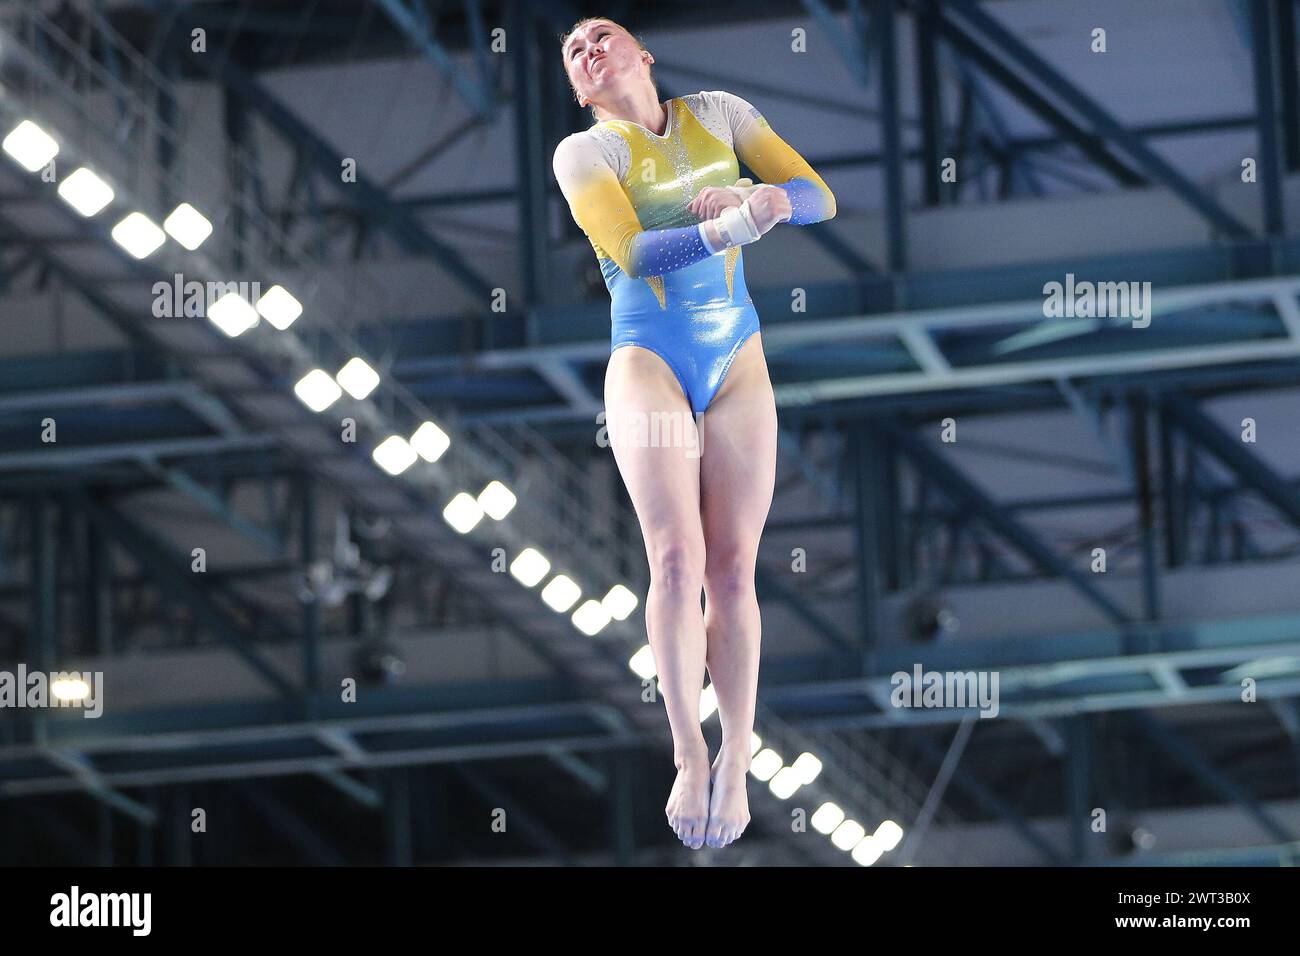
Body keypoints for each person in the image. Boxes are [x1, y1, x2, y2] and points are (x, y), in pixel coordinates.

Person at [553, 16, 836, 850]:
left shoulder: (721, 113)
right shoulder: (586, 154)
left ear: (644, 54)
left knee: (735, 569)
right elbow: (634, 253)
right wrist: (730, 226)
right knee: (676, 559)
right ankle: (686, 751)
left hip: (738, 357)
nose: (588, 49)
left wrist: (767, 199)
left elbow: (817, 197)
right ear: (580, 89)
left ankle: (738, 761)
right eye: (574, 52)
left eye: (601, 35)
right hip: (649, 359)